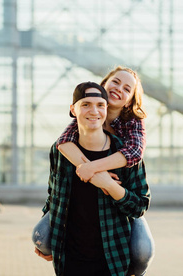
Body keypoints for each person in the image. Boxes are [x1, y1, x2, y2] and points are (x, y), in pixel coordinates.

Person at [35, 82, 150, 276]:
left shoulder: (124, 156)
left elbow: (140, 206)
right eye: (86, 104)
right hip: (68, 261)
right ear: (73, 109)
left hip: (113, 260)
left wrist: (109, 185)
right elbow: (53, 196)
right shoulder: (60, 150)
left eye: (100, 105)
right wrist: (45, 237)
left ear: (106, 109)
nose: (94, 111)